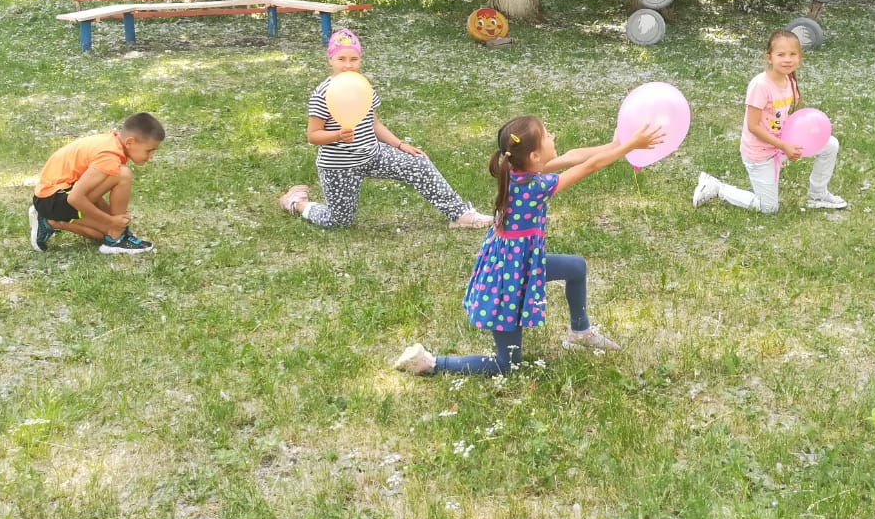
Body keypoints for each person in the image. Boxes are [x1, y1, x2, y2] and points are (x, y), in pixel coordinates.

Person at [393, 114, 664, 377]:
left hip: (522, 265)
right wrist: (630, 146)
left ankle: (580, 332)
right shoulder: (536, 185)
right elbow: (589, 166)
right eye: (547, 135)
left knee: (576, 268)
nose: (553, 136)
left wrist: (615, 145)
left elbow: (573, 157)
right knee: (507, 364)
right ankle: (431, 363)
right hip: (507, 279)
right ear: (534, 156)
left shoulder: (516, 171)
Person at [280, 28, 493, 229]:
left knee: (417, 162)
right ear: (330, 60)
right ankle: (297, 203)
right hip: (339, 166)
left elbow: (374, 124)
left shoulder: (363, 86)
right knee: (339, 221)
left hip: (373, 155)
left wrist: (400, 145)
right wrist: (338, 135)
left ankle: (459, 215)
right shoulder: (322, 94)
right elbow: (313, 135)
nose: (348, 65)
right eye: (341, 59)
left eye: (354, 59)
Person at [693, 29, 846, 213]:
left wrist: (798, 137)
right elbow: (753, 126)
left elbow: (783, 118)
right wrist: (784, 146)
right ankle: (718, 188)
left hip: (780, 144)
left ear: (800, 57)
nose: (787, 59)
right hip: (760, 153)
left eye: (793, 54)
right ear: (769, 57)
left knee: (830, 145)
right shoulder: (760, 85)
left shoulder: (789, 80)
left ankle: (818, 195)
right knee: (768, 208)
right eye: (781, 54)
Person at [29, 112, 165, 254]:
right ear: (130, 142)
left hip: (52, 197)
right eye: (149, 151)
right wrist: (110, 221)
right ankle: (117, 238)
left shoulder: (112, 143)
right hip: (53, 198)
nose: (151, 156)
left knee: (104, 234)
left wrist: (112, 222)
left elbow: (90, 189)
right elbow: (75, 198)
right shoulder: (109, 156)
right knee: (123, 174)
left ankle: (50, 221)